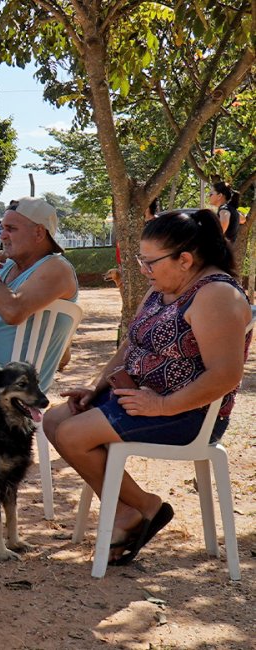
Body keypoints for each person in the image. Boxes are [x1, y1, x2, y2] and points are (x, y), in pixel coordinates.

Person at [43, 209, 251, 566]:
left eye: (150, 262)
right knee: (54, 422)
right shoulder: (163, 289)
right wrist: (97, 389)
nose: (143, 269)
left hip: (187, 413)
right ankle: (136, 507)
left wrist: (162, 406)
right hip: (137, 399)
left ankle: (138, 509)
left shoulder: (216, 295)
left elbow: (225, 375)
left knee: (74, 435)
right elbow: (129, 346)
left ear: (185, 260)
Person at [0, 196, 78, 390]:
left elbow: (13, 312)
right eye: (2, 228)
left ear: (39, 233)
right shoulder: (5, 267)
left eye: (11, 229)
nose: (2, 236)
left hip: (5, 384)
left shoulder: (57, 267)